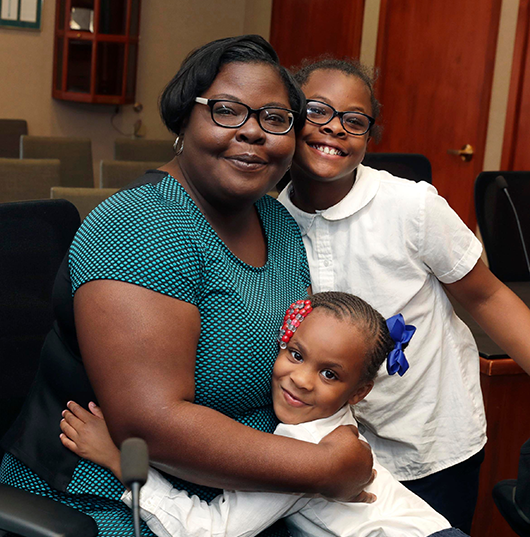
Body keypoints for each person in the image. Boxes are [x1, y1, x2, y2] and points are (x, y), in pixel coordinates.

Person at [0, 38, 375, 537]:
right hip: (111, 499)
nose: (252, 132)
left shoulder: (277, 223)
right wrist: (326, 469)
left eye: (276, 119)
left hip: (256, 498)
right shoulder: (139, 226)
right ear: (183, 121)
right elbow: (150, 426)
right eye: (226, 111)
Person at [276, 57, 530, 534]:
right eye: (317, 111)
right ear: (288, 115)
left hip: (435, 442)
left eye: (354, 121)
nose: (335, 128)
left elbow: (487, 298)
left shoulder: (411, 206)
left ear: (369, 137)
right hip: (332, 448)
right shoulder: (269, 222)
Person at [60, 291, 468, 537]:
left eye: (329, 373)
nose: (302, 380)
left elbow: (210, 531)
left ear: (359, 392)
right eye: (296, 354)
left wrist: (121, 462)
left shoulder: (302, 454)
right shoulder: (330, 431)